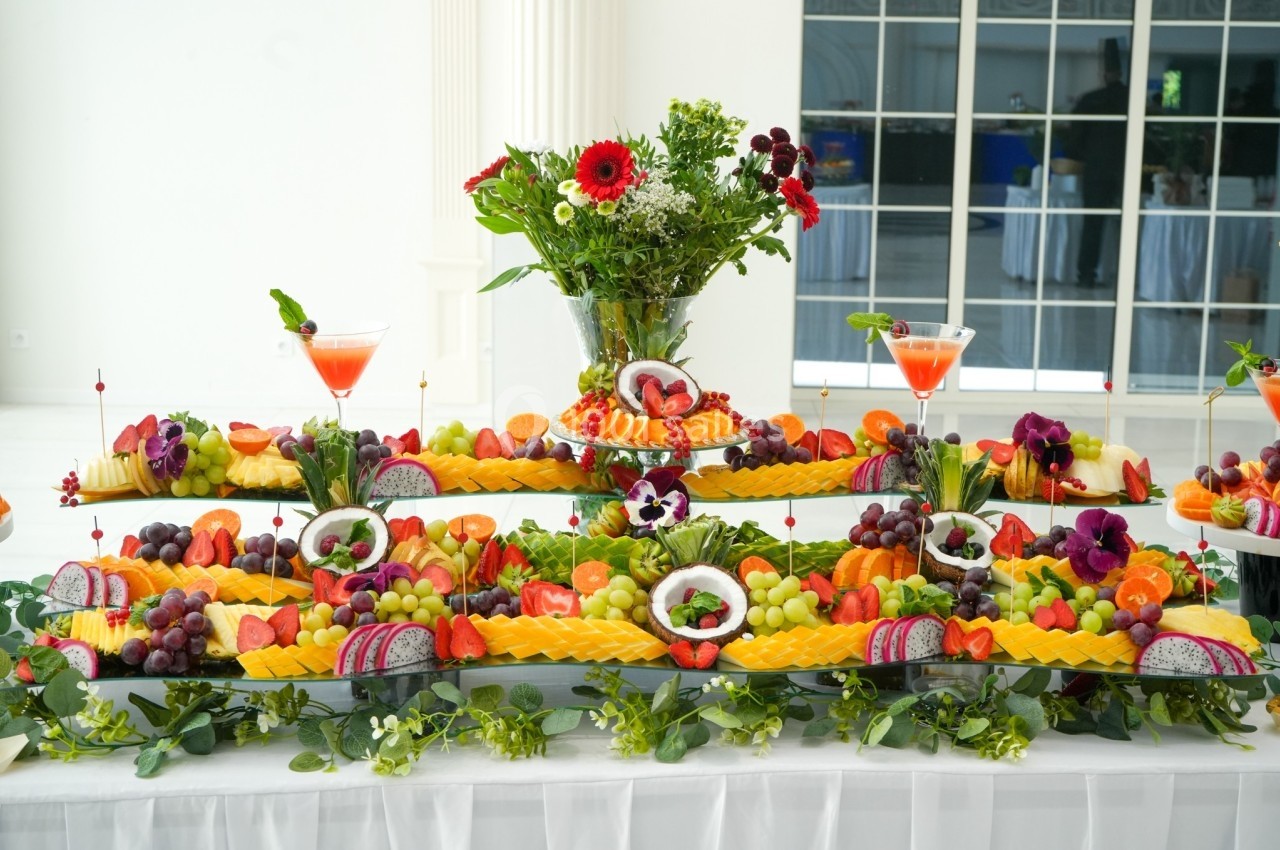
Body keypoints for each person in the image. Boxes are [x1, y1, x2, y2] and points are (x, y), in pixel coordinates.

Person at [1066, 42, 1127, 288]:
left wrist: (1088, 155)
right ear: (1120, 73)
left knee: (1093, 224)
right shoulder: (1132, 99)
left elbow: (1073, 140)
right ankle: (1125, 275)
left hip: (1097, 170)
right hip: (1126, 170)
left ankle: (1087, 274)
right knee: (1128, 224)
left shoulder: (1091, 100)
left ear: (1103, 74)